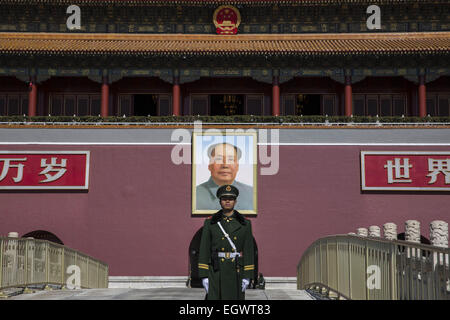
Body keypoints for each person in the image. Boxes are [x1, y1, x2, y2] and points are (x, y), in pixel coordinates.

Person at [198, 184, 255, 300]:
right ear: (220, 201)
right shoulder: (210, 223)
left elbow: (249, 250)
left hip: (236, 271)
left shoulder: (245, 223)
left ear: (235, 201)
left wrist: (247, 276)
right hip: (216, 271)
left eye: (231, 199)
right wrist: (204, 275)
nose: (227, 201)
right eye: (224, 199)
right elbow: (204, 249)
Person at [196, 142, 253, 211]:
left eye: (231, 159)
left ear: (237, 166)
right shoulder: (195, 194)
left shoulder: (251, 194)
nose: (225, 165)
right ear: (210, 165)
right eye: (219, 159)